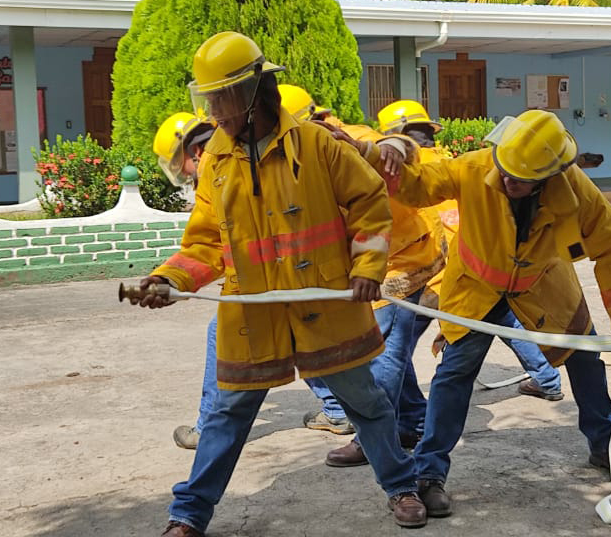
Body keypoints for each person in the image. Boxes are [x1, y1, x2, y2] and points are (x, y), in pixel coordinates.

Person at [124, 31, 428, 535]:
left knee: (368, 403)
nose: (213, 110)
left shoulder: (317, 145)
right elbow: (204, 244)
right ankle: (189, 516)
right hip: (253, 312)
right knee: (226, 415)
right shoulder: (217, 166)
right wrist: (167, 279)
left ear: (251, 91)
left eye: (220, 96)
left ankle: (401, 485)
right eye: (207, 97)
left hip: (327, 304)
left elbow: (371, 204)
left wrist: (367, 269)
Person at [370, 108, 611, 518]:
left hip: (546, 290)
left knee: (586, 361)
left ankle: (604, 447)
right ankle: (429, 474)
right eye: (504, 171)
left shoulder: (575, 191)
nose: (506, 180)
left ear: (549, 176)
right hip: (475, 292)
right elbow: (419, 187)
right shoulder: (476, 167)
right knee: (453, 375)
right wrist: (391, 154)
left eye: (519, 179)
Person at [277, 86, 441, 466]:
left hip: (402, 263)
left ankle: (374, 439)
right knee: (390, 351)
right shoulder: (299, 154)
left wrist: (392, 149)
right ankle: (412, 422)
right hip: (379, 262)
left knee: (381, 357)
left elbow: (399, 145)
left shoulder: (351, 137)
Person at [374, 100, 566, 402]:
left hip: (434, 276)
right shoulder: (451, 160)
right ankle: (546, 377)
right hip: (471, 272)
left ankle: (408, 415)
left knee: (395, 348)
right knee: (502, 318)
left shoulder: (403, 168)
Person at [151, 111, 218, 450]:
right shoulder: (235, 153)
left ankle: (207, 429)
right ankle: (338, 411)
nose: (184, 175)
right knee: (307, 342)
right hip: (298, 274)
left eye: (180, 165)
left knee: (221, 338)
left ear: (192, 151)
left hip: (270, 276)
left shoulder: (215, 168)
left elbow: (211, 244)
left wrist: (170, 278)